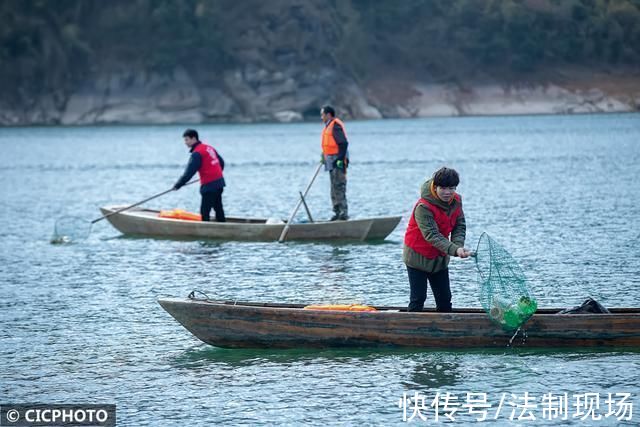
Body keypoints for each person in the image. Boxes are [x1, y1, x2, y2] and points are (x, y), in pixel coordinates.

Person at [403, 167, 471, 312]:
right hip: (417, 256)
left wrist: (458, 245)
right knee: (418, 298)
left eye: (451, 188)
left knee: (445, 299)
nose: (447, 192)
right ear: (435, 187)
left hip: (439, 257)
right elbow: (432, 235)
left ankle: (446, 329)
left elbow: (460, 226)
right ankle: (411, 330)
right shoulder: (423, 207)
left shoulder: (456, 201)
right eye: (443, 188)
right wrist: (455, 249)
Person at [173, 129, 226, 222]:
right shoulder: (209, 147)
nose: (185, 142)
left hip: (209, 186)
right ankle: (223, 226)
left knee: (205, 212)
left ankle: (206, 232)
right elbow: (221, 163)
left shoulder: (197, 153)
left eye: (187, 140)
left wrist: (178, 185)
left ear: (194, 139)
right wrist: (214, 173)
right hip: (219, 183)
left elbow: (188, 173)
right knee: (218, 208)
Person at [320, 105, 349, 221]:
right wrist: (323, 156)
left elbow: (343, 143)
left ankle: (343, 213)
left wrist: (340, 159)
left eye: (322, 115)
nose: (321, 117)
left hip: (338, 161)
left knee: (339, 186)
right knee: (333, 187)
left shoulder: (335, 126)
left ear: (328, 115)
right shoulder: (327, 126)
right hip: (330, 161)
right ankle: (337, 212)